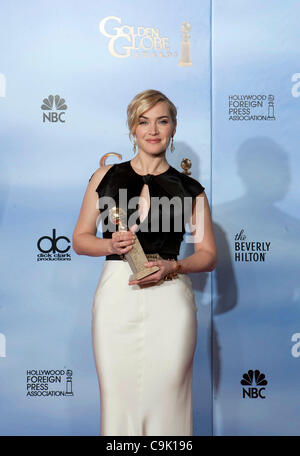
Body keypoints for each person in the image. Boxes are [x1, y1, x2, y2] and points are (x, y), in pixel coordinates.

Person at [72, 89, 217, 436]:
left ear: (173, 127)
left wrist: (175, 267)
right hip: (117, 293)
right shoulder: (105, 176)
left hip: (169, 296)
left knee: (169, 396)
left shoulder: (189, 188)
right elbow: (80, 239)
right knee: (119, 396)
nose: (153, 130)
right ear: (133, 128)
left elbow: (209, 255)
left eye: (162, 121)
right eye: (144, 121)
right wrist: (110, 243)